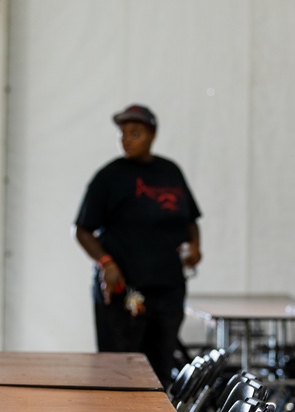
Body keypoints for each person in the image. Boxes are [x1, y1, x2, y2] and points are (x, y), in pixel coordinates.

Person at [74, 104, 202, 386]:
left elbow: (190, 220)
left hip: (167, 292)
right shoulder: (109, 177)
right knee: (118, 373)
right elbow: (83, 230)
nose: (126, 140)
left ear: (152, 135)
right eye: (123, 134)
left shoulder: (170, 172)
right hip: (123, 295)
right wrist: (106, 262)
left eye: (135, 133)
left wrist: (194, 247)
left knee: (159, 370)